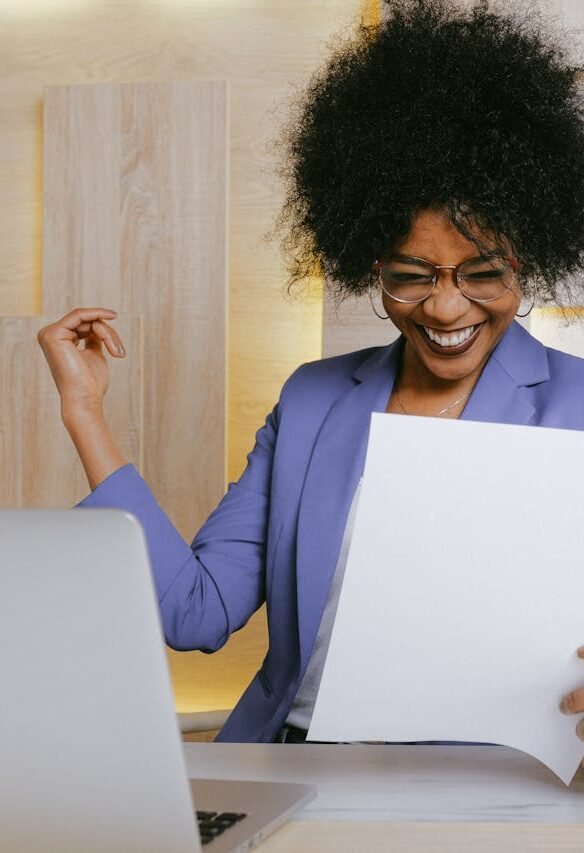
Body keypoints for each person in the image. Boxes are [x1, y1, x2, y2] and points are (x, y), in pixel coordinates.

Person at [38, 0, 584, 744]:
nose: (447, 306)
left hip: (482, 785)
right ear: (372, 264)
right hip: (290, 766)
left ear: (526, 261)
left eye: (481, 273)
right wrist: (85, 414)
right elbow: (193, 611)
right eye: (411, 274)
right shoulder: (313, 400)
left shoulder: (575, 408)